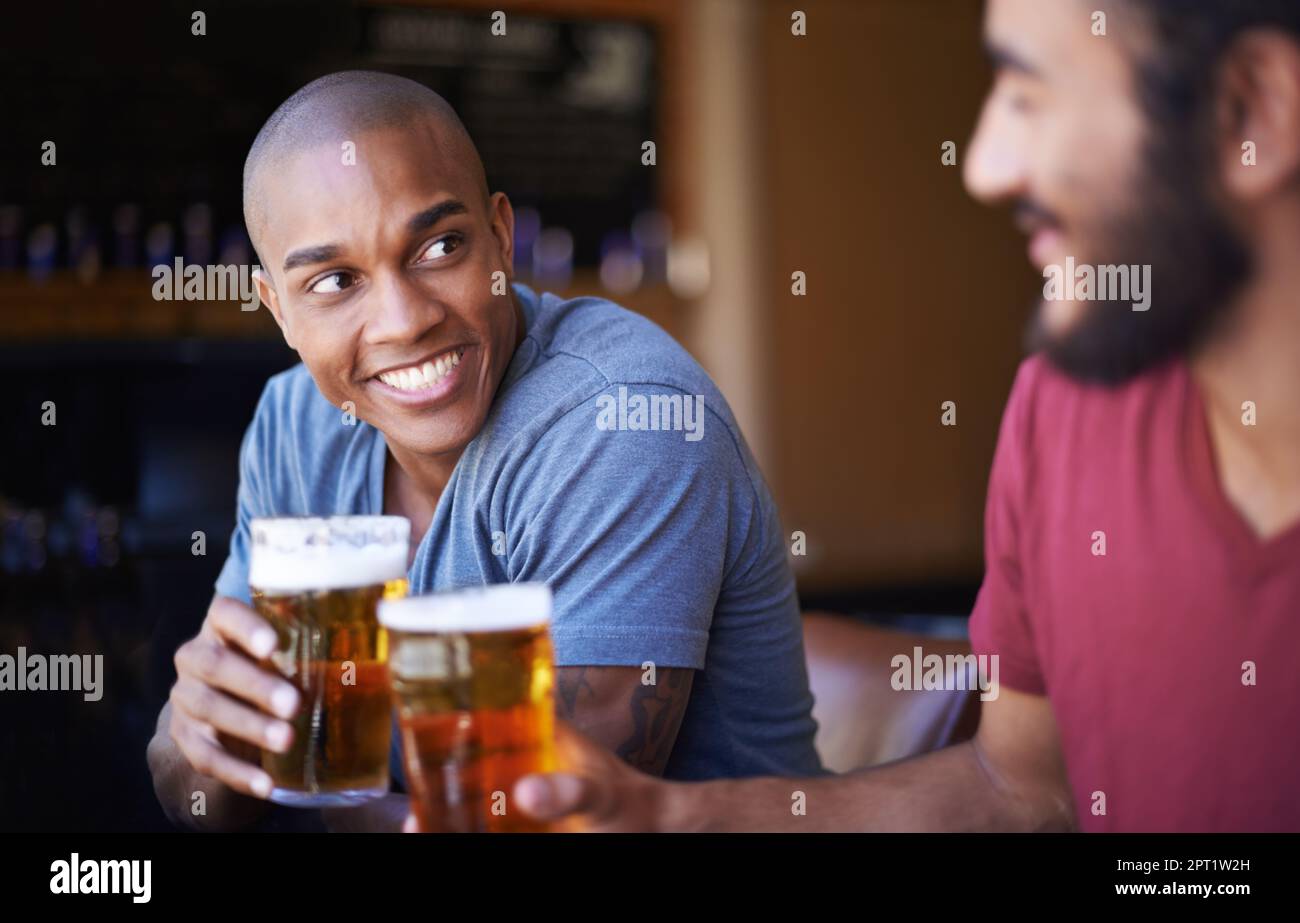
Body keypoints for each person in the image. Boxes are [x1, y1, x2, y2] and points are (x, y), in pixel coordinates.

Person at [508, 0, 1300, 833]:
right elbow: (1018, 784)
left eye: (1028, 93)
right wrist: (672, 816)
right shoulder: (1066, 409)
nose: (985, 167)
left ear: (1250, 110)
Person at [146, 71, 823, 832]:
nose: (404, 320)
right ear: (279, 310)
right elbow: (197, 794)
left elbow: (548, 822)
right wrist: (201, 735)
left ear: (501, 237)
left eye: (440, 246)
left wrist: (315, 806)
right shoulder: (295, 426)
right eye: (335, 281)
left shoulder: (625, 421)